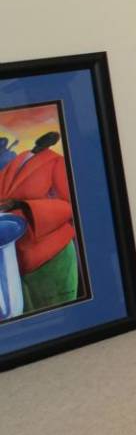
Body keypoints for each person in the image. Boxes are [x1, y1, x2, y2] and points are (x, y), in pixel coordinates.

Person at [0, 130, 79, 315]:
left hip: (51, 256)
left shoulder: (57, 162)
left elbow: (70, 205)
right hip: (18, 259)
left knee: (59, 315)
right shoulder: (18, 160)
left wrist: (21, 204)